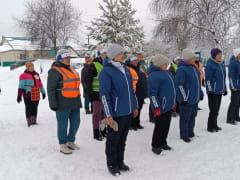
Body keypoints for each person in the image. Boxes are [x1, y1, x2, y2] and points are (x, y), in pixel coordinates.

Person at [99, 44, 138, 176]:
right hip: (115, 114)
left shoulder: (126, 69)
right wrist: (108, 115)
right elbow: (104, 95)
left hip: (127, 113)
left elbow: (131, 91)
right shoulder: (106, 71)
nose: (123, 56)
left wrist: (134, 106)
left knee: (122, 140)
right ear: (113, 55)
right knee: (113, 141)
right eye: (121, 53)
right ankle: (112, 164)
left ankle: (120, 162)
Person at [47, 49, 82, 154]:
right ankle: (62, 144)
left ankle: (70, 141)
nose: (68, 59)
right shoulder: (54, 70)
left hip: (75, 101)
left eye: (69, 57)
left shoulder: (71, 69)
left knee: (76, 122)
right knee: (63, 124)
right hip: (62, 103)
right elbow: (51, 89)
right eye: (65, 57)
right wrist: (53, 104)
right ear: (59, 59)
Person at [148, 54, 176, 155]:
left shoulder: (167, 73)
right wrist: (156, 107)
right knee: (159, 127)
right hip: (160, 107)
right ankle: (156, 145)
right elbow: (152, 94)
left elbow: (172, 88)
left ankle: (163, 142)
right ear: (159, 64)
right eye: (164, 64)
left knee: (166, 126)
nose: (166, 65)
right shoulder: (154, 75)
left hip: (168, 106)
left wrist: (173, 102)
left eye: (167, 63)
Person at [176, 49, 204, 143]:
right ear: (188, 58)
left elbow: (198, 83)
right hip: (186, 99)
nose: (195, 58)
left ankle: (190, 132)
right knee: (185, 118)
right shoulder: (182, 69)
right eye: (193, 57)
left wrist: (200, 93)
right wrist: (184, 98)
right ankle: (184, 135)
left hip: (194, 99)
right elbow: (179, 85)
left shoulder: (194, 67)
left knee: (193, 116)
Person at [86, 48, 107, 141]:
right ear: (99, 55)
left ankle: (103, 130)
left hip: (105, 94)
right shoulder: (93, 65)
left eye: (106, 53)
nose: (106, 55)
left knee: (104, 113)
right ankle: (96, 132)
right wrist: (90, 93)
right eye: (103, 53)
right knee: (97, 114)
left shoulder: (107, 64)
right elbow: (88, 80)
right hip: (96, 93)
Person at [17, 62, 46, 127]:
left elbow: (40, 84)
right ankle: (29, 120)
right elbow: (21, 86)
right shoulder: (23, 75)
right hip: (28, 94)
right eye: (30, 66)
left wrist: (43, 92)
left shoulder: (37, 74)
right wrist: (19, 95)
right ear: (27, 68)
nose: (32, 68)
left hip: (36, 93)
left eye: (32, 66)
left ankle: (34, 120)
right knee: (29, 107)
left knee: (35, 107)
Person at [205, 48, 227, 132]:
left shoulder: (221, 64)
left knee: (216, 109)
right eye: (218, 55)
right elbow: (208, 80)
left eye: (221, 54)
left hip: (219, 91)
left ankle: (215, 124)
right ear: (214, 56)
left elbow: (223, 78)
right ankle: (210, 127)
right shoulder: (210, 65)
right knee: (213, 110)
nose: (220, 56)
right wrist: (210, 91)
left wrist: (224, 88)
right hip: (213, 92)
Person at [126, 56, 148, 130]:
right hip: (134, 93)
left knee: (139, 108)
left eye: (136, 60)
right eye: (134, 60)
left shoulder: (139, 68)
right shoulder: (128, 69)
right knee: (134, 109)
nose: (136, 62)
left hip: (140, 93)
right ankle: (131, 124)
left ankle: (137, 122)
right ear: (130, 61)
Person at [226, 48, 240, 125]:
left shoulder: (238, 62)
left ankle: (236, 116)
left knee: (238, 103)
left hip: (239, 86)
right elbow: (231, 76)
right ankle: (230, 118)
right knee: (234, 102)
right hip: (235, 87)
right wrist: (233, 86)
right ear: (237, 55)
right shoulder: (233, 63)